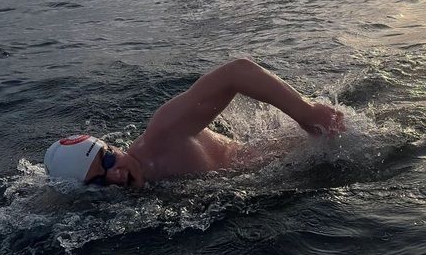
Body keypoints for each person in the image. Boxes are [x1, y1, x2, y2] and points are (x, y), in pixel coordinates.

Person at [44, 59, 346, 187]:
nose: (115, 176)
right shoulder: (123, 198)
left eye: (108, 159)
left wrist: (307, 114)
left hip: (289, 156)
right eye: (98, 182)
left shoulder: (163, 134)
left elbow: (236, 72)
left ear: (113, 147)